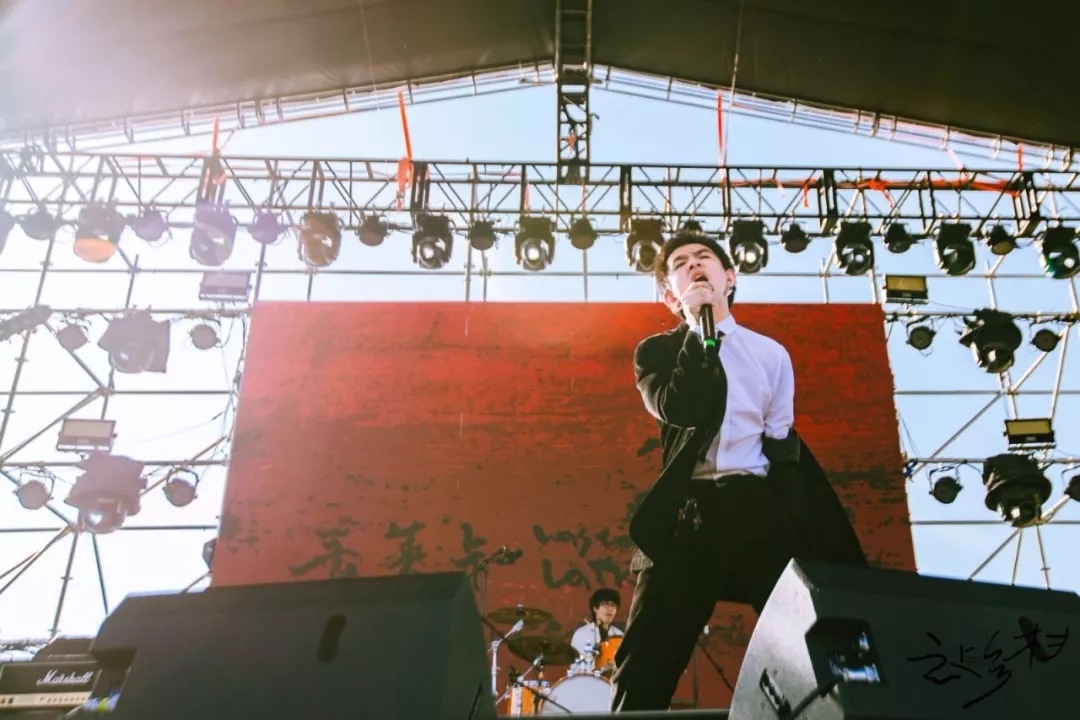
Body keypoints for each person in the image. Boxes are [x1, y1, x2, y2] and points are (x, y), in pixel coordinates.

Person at [610, 230, 868, 712]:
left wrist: (801, 526)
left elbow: (780, 442)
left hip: (756, 507)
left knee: (817, 637)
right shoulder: (656, 352)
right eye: (680, 264)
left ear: (729, 277)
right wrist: (699, 332)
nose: (693, 265)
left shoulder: (770, 354)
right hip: (690, 514)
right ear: (669, 296)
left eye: (703, 257)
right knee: (646, 659)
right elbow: (680, 406)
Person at [569, 588, 624, 675]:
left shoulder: (619, 635)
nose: (610, 609)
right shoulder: (581, 634)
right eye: (605, 604)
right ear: (595, 608)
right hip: (588, 680)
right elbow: (575, 668)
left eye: (613, 606)